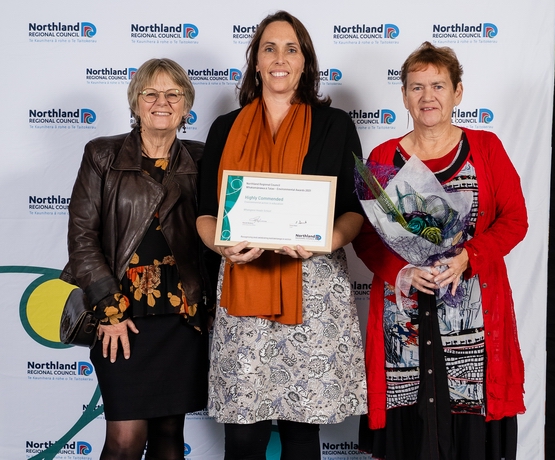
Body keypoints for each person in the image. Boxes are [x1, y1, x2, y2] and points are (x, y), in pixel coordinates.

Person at [196, 11, 368, 460]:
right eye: (269, 48)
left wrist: (324, 241)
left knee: (300, 431)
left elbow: (354, 212)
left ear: (305, 62)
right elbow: (204, 214)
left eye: (291, 49)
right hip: (242, 287)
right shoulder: (224, 128)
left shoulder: (336, 126)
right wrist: (222, 244)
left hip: (311, 291)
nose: (280, 58)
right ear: (256, 62)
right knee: (244, 435)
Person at [353, 42, 528, 460]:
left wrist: (469, 256)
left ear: (458, 92)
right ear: (403, 95)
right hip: (405, 319)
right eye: (416, 87)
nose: (427, 96)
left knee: (468, 435)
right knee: (409, 434)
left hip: (472, 315)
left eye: (437, 85)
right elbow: (366, 237)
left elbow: (515, 220)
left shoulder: (486, 149)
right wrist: (403, 271)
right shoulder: (383, 157)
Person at [61, 58, 217, 460]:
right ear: (135, 103)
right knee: (125, 440)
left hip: (182, 319)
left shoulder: (202, 161)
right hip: (121, 317)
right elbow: (81, 238)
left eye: (172, 94)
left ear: (186, 107)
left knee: (168, 437)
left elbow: (218, 235)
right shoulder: (103, 155)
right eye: (150, 93)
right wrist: (109, 309)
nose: (161, 102)